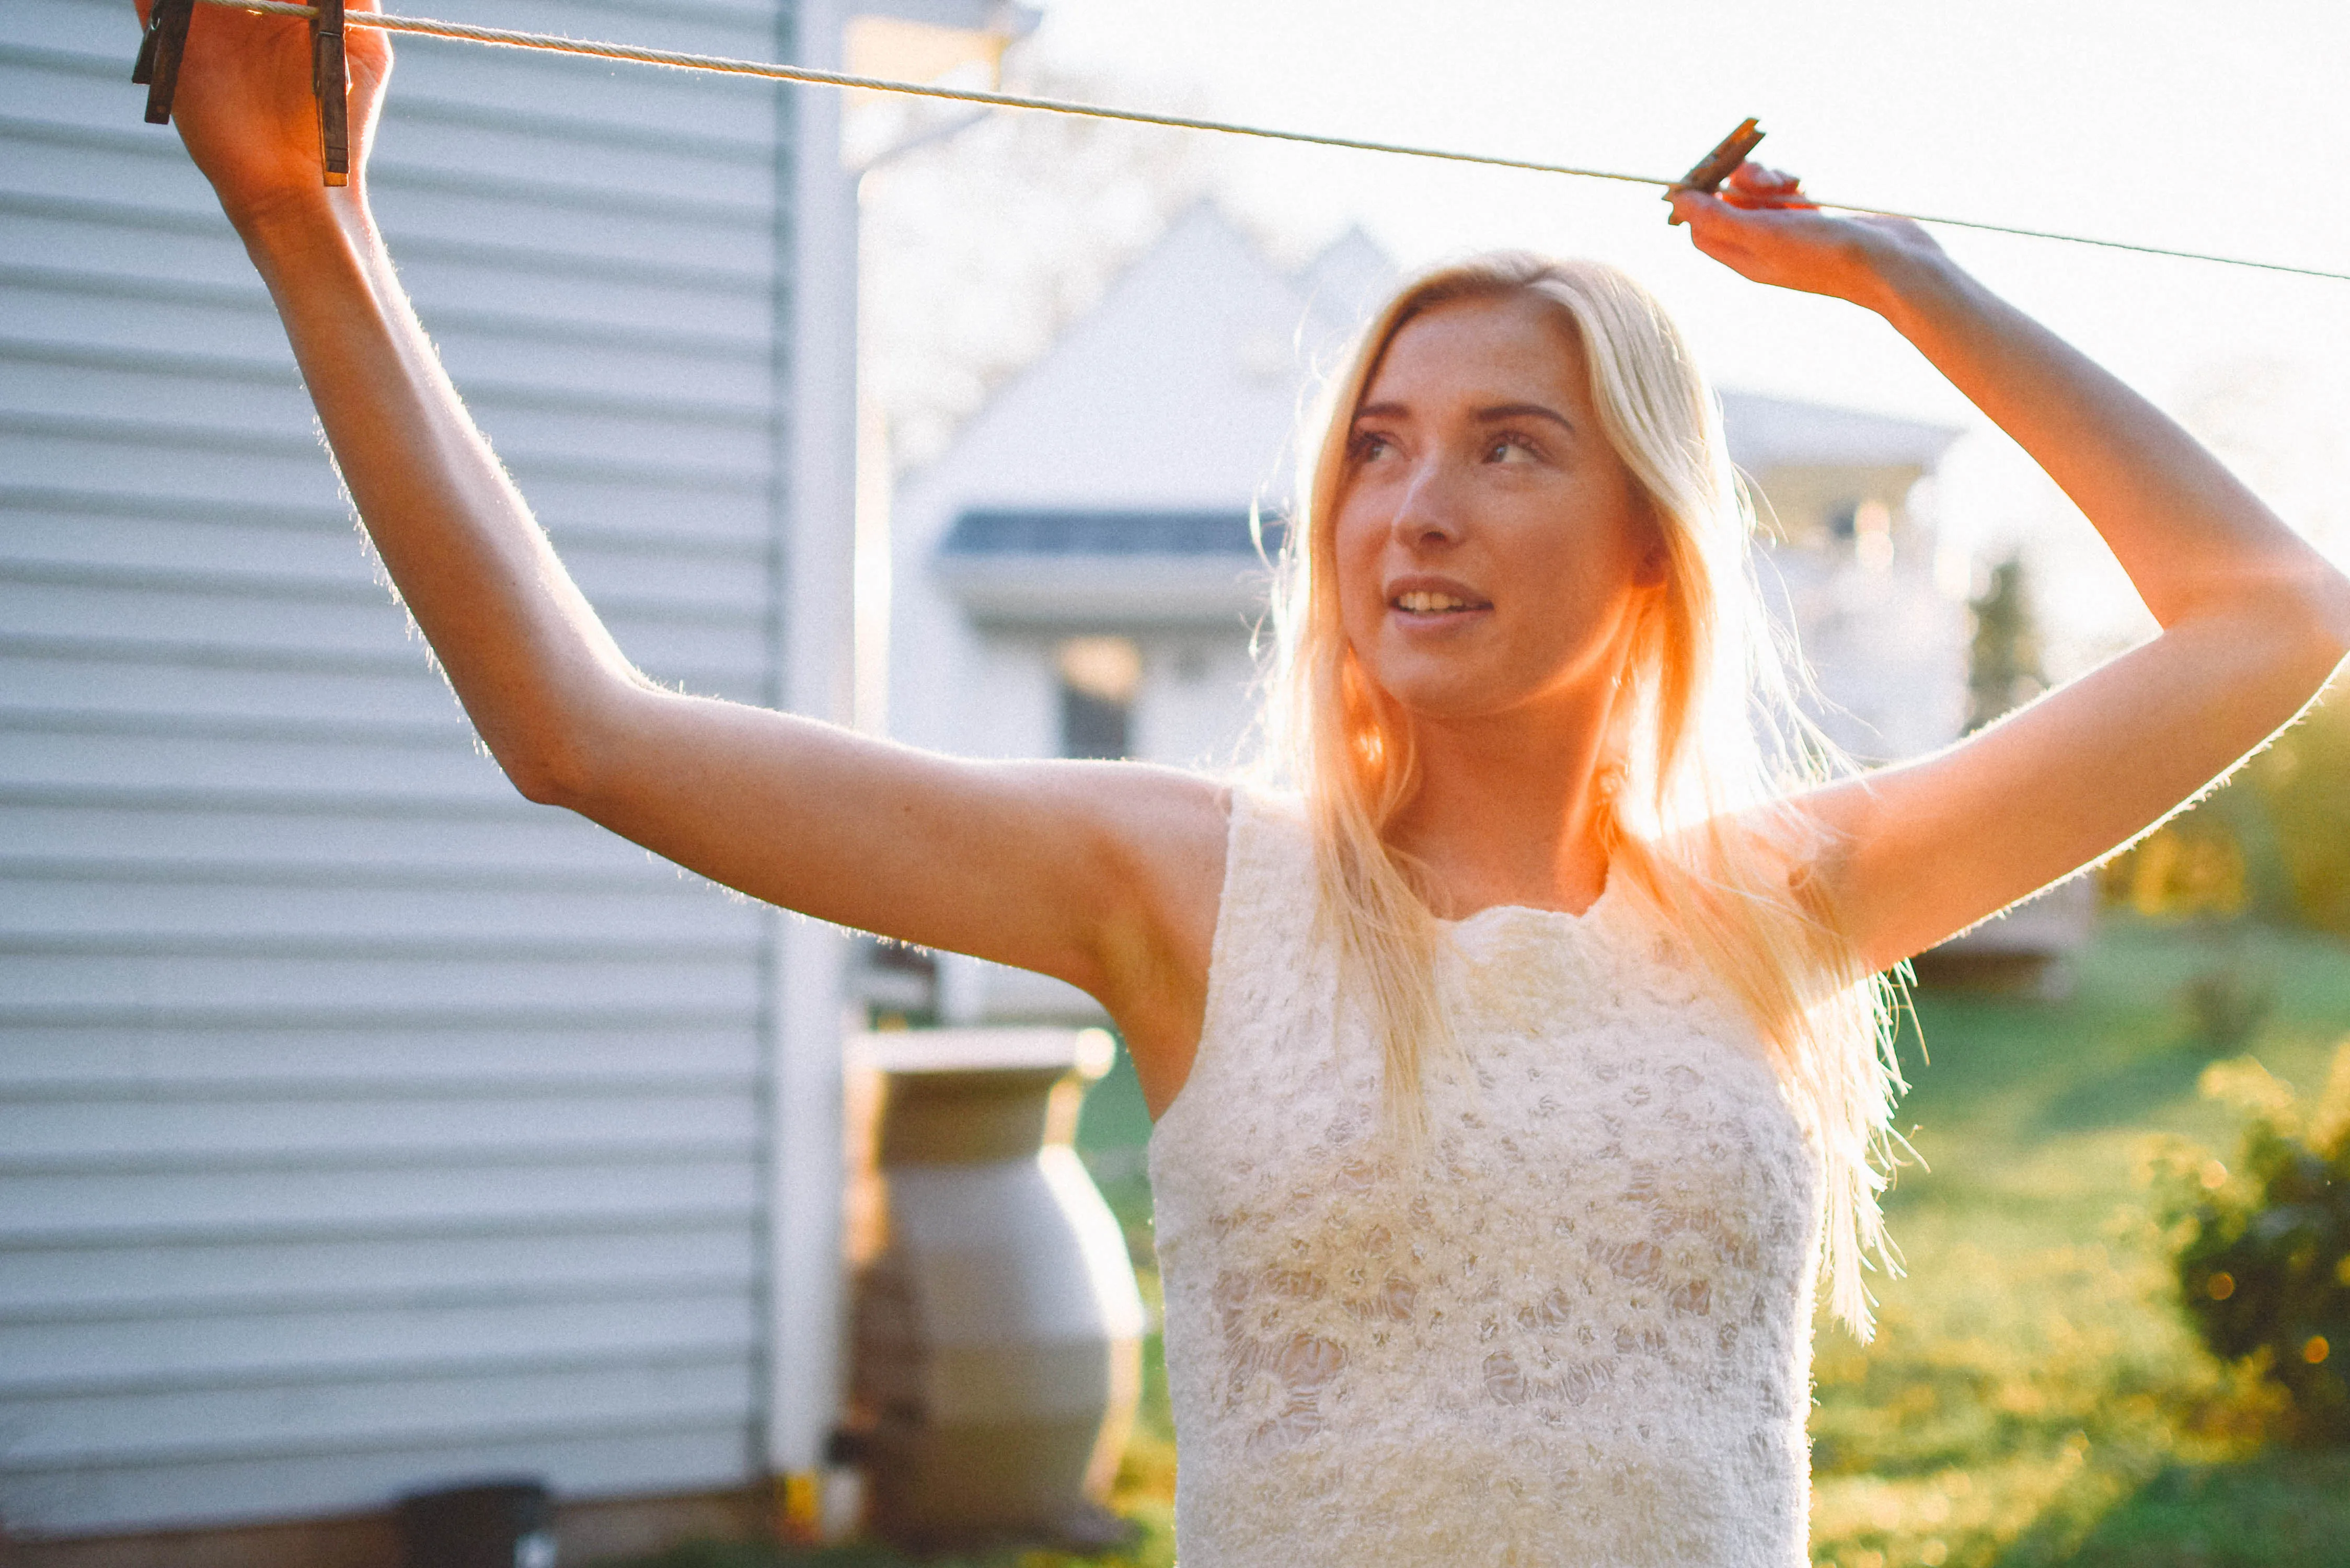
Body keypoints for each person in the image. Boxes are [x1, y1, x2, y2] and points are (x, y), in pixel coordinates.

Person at [149, 4, 2350, 1563]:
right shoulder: (1178, 892)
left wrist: (1894, 277)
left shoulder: (1782, 898)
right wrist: (306, 221)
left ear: (1649, 534)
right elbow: (584, 731)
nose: (1414, 509)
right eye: (1375, 450)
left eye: (1508, 447)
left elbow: (2267, 613)